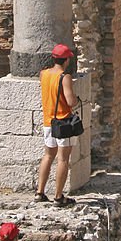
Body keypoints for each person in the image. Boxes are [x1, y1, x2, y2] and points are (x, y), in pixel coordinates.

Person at [35, 43, 79, 207]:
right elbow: (70, 101)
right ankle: (59, 196)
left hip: (48, 121)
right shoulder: (64, 77)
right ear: (66, 60)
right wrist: (75, 98)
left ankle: (40, 192)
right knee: (63, 159)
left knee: (48, 155)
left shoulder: (43, 74)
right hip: (63, 122)